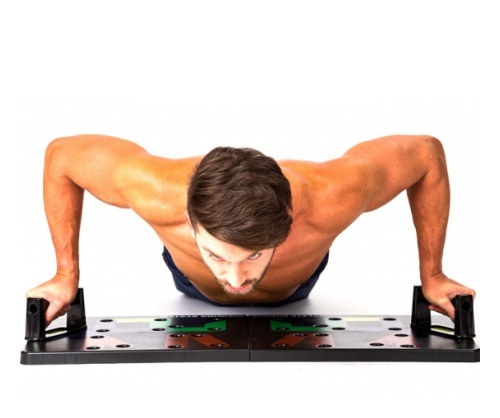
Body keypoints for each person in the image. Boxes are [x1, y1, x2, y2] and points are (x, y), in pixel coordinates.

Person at [27, 134, 475, 325]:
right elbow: (62, 157)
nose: (236, 279)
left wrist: (433, 275)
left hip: (296, 284)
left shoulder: (333, 196)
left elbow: (425, 154)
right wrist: (66, 274)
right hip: (189, 280)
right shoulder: (152, 190)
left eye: (254, 255)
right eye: (218, 255)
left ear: (289, 222)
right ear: (190, 221)